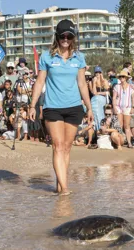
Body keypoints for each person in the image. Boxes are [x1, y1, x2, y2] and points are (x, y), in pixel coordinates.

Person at [29, 19, 93, 196]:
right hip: (53, 107)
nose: (66, 39)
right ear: (57, 37)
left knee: (66, 147)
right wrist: (33, 105)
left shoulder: (79, 57)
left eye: (69, 36)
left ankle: (60, 184)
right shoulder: (46, 56)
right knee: (57, 146)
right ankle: (65, 189)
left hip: (74, 107)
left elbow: (82, 84)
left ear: (73, 38)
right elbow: (40, 81)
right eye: (62, 36)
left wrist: (89, 107)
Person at [113, 70, 134, 148]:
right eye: (120, 77)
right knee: (119, 125)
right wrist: (114, 107)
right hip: (118, 106)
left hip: (127, 107)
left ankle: (129, 142)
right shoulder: (117, 86)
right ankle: (119, 142)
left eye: (123, 76)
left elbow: (133, 98)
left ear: (126, 78)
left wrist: (133, 107)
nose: (121, 78)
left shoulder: (131, 86)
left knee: (127, 125)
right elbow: (114, 98)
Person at [90, 66, 110, 131]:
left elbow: (107, 92)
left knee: (102, 114)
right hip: (95, 100)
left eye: (99, 72)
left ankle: (103, 129)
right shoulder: (92, 82)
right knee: (96, 114)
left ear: (101, 73)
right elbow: (94, 93)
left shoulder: (105, 81)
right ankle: (97, 129)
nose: (97, 74)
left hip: (102, 100)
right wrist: (94, 83)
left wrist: (99, 93)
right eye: (96, 72)